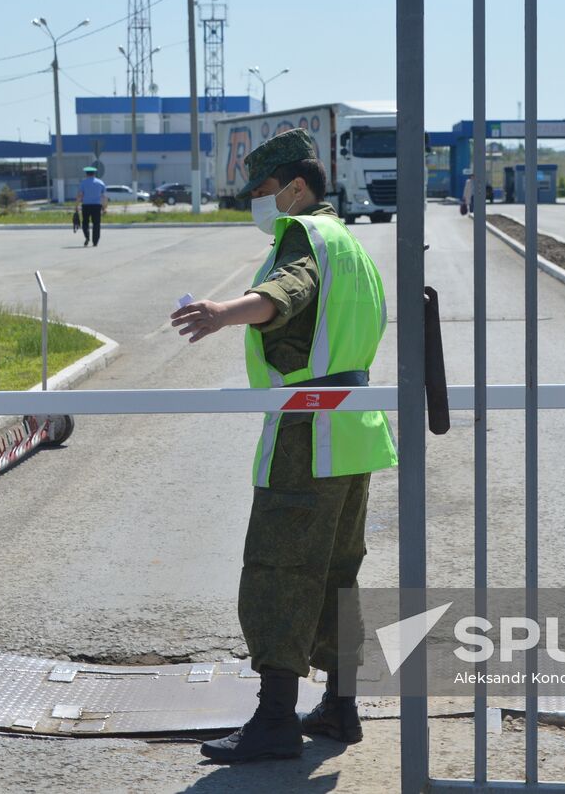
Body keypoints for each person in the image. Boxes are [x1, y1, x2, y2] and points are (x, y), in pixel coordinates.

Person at [170, 128, 398, 764]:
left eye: (265, 191)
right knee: (337, 574)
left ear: (296, 187)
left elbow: (286, 293)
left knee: (280, 571)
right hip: (354, 430)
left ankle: (274, 721)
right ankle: (341, 707)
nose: (259, 204)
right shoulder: (350, 241)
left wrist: (225, 312)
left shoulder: (304, 236)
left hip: (308, 431)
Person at [76, 165, 109, 247]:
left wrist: (76, 206)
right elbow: (104, 197)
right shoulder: (100, 183)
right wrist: (104, 207)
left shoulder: (83, 183)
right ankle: (95, 241)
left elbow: (80, 195)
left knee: (85, 223)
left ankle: (87, 237)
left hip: (86, 206)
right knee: (96, 224)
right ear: (94, 174)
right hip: (97, 206)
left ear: (86, 174)